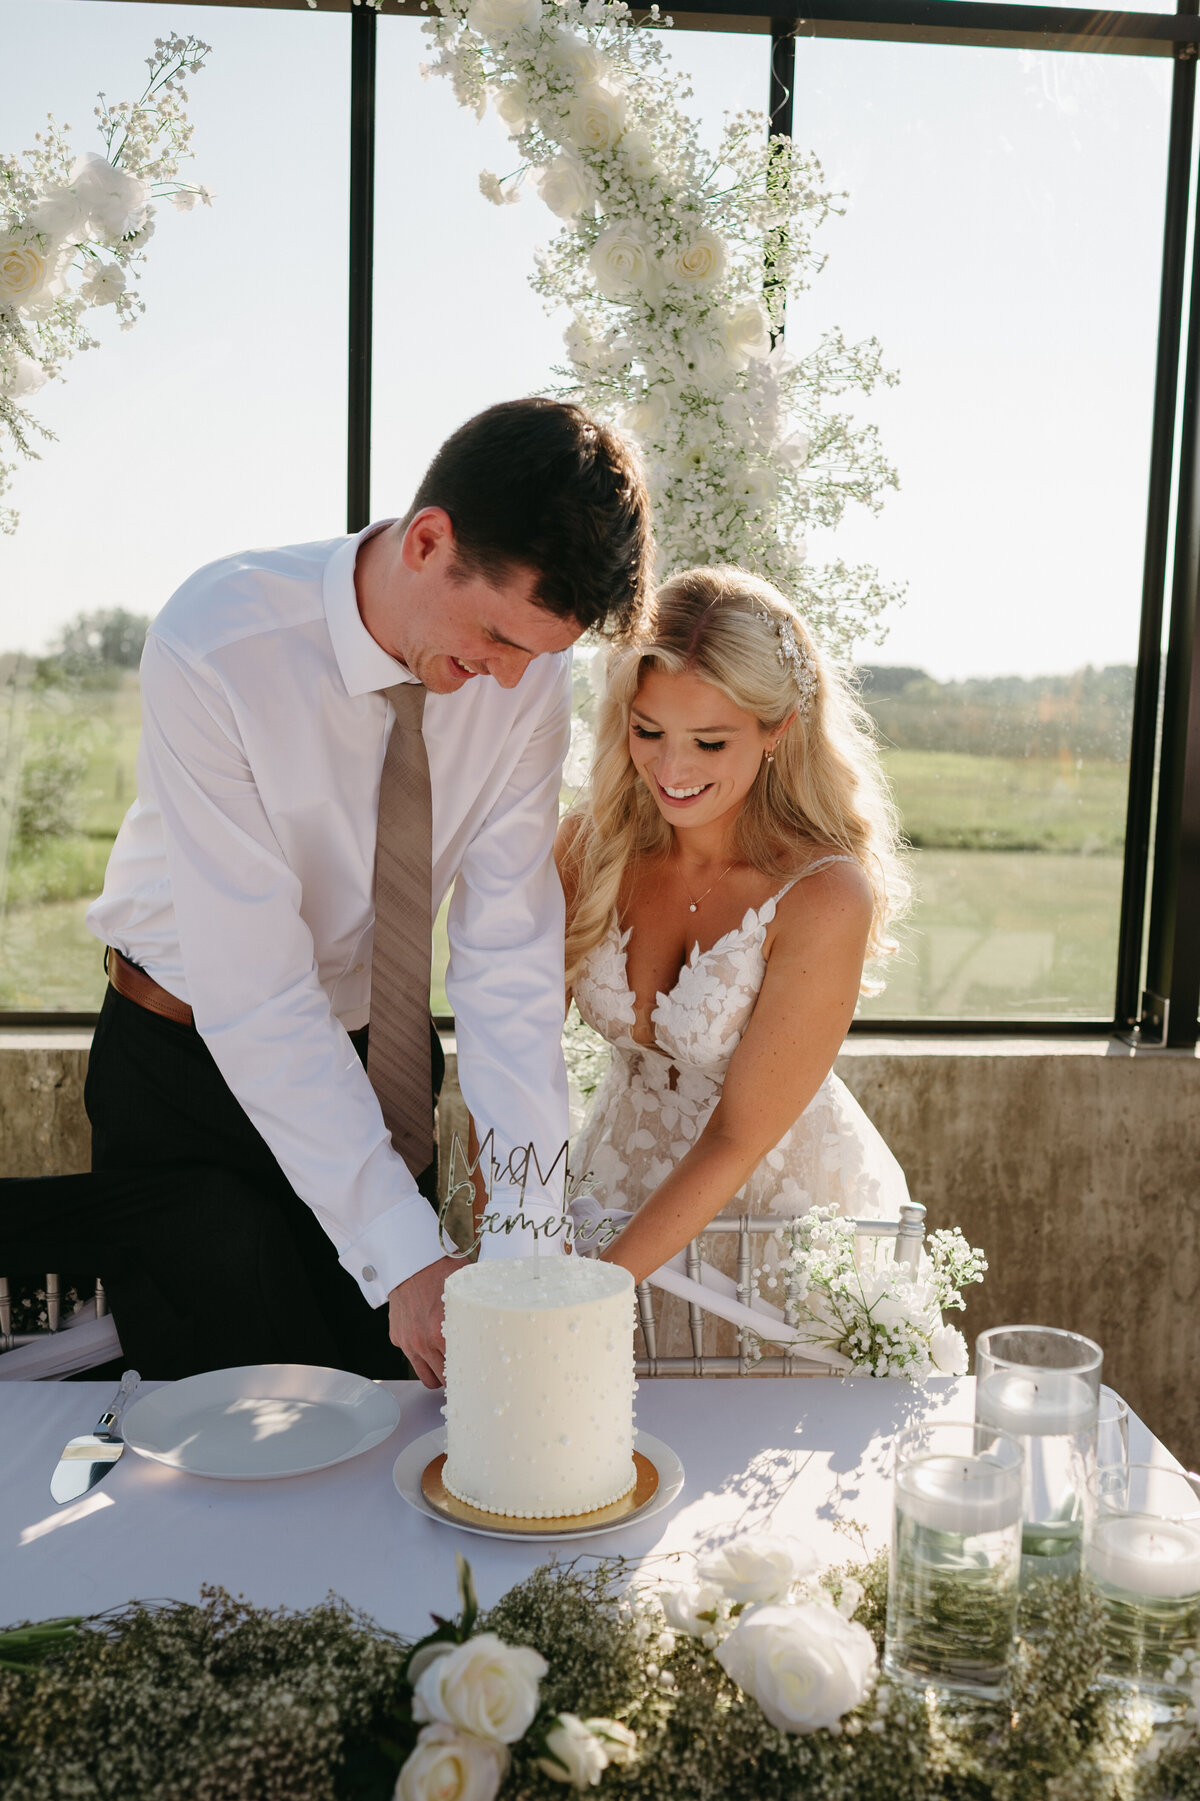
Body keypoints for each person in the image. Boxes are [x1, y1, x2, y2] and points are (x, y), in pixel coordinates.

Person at [0, 398, 652, 1386]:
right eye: (495, 637)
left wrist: (525, 1243)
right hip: (190, 1072)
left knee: (394, 1419)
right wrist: (407, 1254)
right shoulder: (218, 642)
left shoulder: (525, 680)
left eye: (539, 654)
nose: (511, 681)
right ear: (428, 540)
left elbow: (508, 957)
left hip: (380, 1065)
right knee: (241, 1427)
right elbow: (255, 991)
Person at [557, 566, 910, 1353]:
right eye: (648, 732)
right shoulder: (588, 849)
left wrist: (592, 1291)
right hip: (613, 1184)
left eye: (709, 741)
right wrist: (515, 1224)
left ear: (777, 729)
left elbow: (737, 1135)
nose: (671, 771)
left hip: (772, 1223)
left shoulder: (823, 894)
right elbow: (513, 1040)